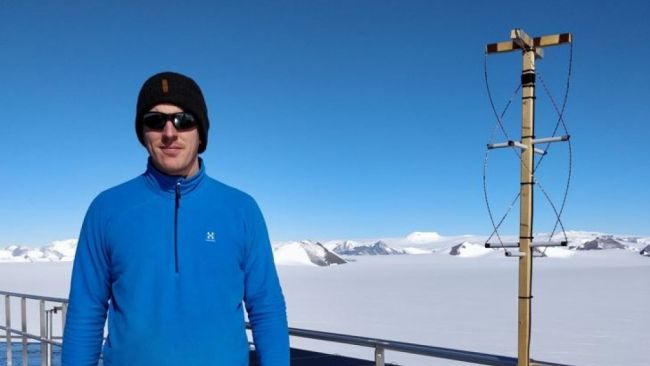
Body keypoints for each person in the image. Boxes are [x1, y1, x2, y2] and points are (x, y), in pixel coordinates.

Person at [62, 72, 289, 365]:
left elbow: (266, 305)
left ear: (201, 132)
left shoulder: (241, 209)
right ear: (143, 133)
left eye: (183, 120)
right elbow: (87, 309)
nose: (170, 133)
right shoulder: (107, 209)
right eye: (155, 121)